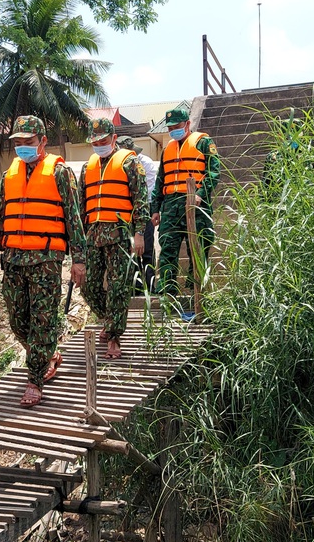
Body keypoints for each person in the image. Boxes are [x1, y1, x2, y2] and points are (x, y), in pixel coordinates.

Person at [0, 115, 86, 408]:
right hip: (13, 259)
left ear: (42, 142)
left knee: (42, 323)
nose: (23, 147)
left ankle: (35, 380)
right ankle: (49, 354)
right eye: (19, 143)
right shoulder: (8, 176)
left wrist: (79, 260)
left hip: (46, 260)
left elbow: (74, 219)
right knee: (17, 322)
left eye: (29, 142)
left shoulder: (61, 172)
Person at [81, 120, 148, 359]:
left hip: (120, 235)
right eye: (95, 142)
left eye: (103, 141)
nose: (99, 145)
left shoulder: (130, 162)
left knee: (118, 288)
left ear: (114, 137)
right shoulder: (88, 166)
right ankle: (110, 322)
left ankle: (114, 338)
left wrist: (139, 233)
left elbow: (141, 199)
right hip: (93, 235)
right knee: (88, 286)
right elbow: (82, 203)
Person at [149, 108, 220, 318]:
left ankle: (198, 301)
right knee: (168, 253)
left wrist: (200, 194)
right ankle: (168, 303)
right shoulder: (168, 149)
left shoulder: (204, 143)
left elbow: (213, 172)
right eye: (170, 128)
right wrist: (155, 208)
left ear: (187, 125)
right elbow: (160, 180)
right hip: (170, 206)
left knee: (197, 251)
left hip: (195, 204)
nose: (173, 132)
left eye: (177, 127)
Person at [117, 135, 158, 294]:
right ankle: (137, 289)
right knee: (130, 253)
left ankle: (151, 286)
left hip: (144, 210)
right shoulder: (116, 164)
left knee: (147, 251)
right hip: (126, 213)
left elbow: (147, 190)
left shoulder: (144, 162)